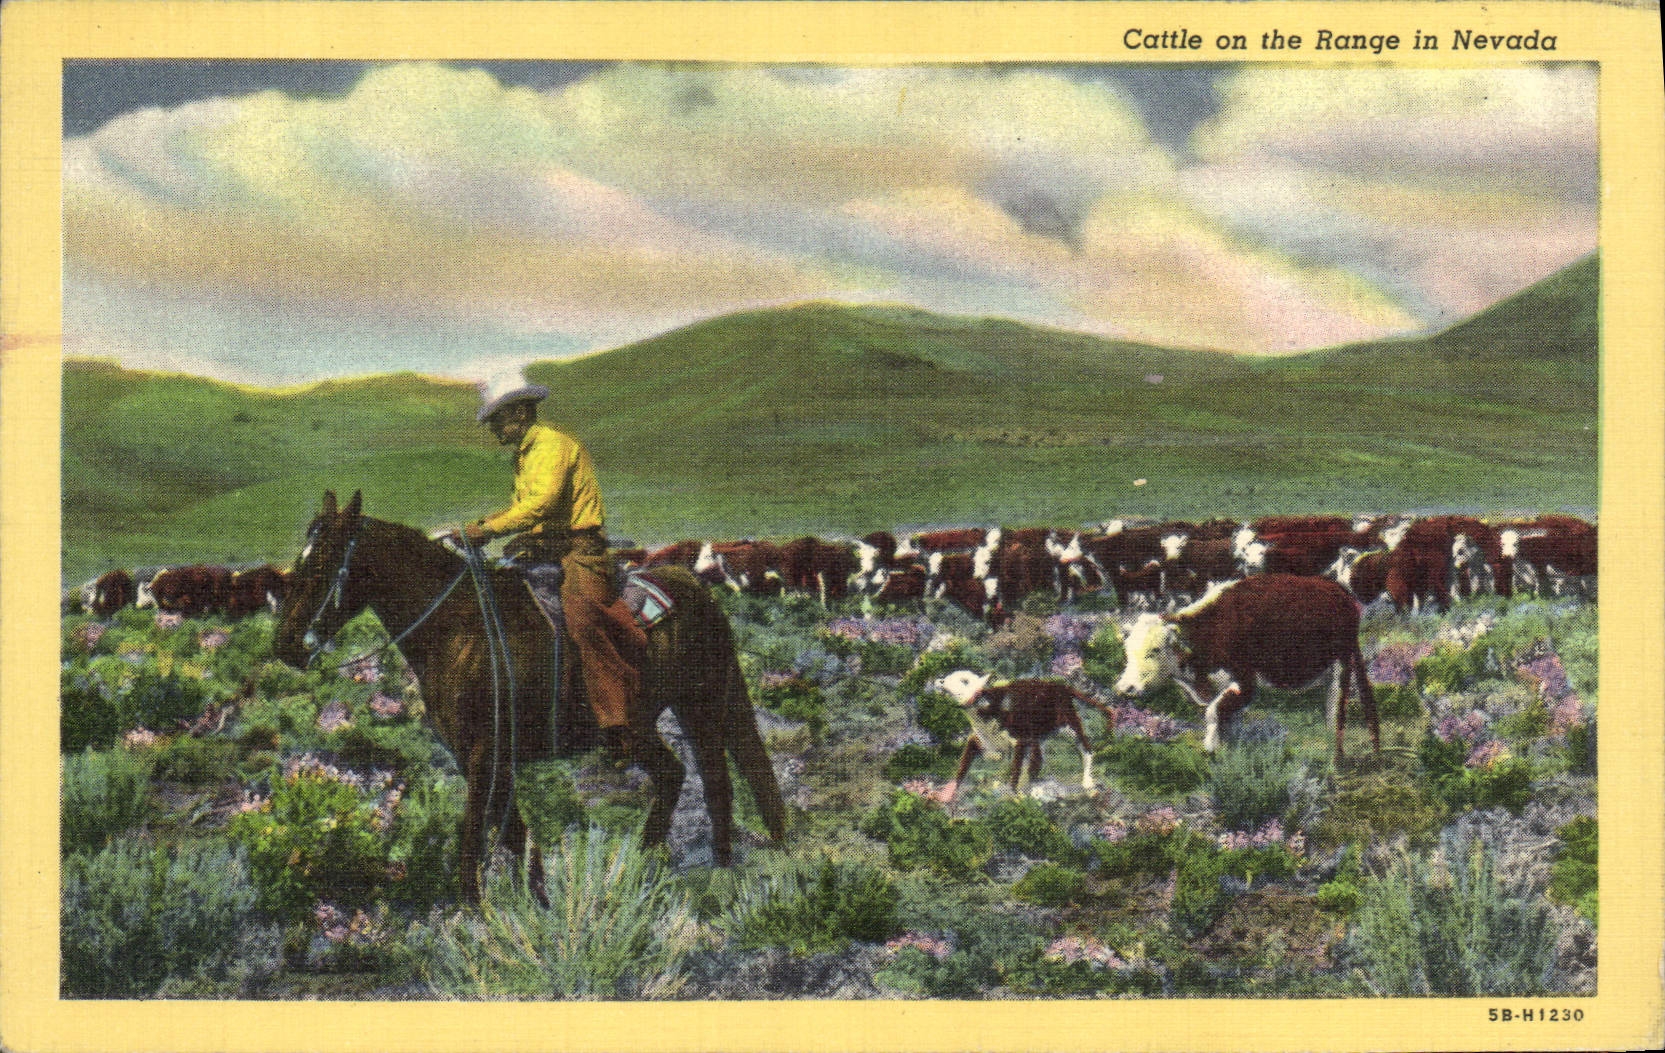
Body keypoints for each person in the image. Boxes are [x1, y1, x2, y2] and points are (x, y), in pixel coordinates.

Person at [455, 374, 647, 761]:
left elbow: (541, 503)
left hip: (579, 549)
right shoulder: (524, 453)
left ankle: (617, 723)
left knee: (582, 618)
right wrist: (484, 526)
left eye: (498, 418)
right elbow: (526, 511)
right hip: (544, 549)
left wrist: (487, 529)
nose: (493, 427)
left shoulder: (552, 445)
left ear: (522, 412)